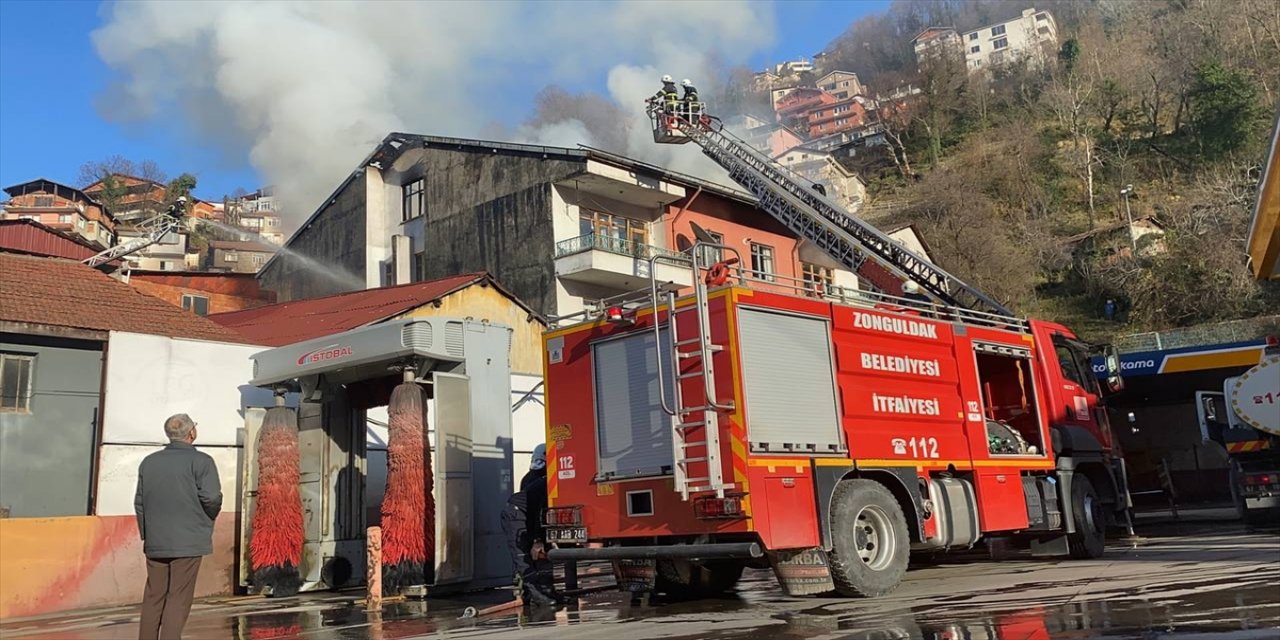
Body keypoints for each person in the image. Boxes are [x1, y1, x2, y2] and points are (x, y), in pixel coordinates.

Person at [135, 414, 222, 640]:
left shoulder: (149, 462)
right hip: (188, 541)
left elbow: (140, 502)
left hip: (156, 541)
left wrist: (147, 534)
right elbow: (212, 498)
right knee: (178, 597)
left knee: (154, 596)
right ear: (191, 433)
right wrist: (206, 520)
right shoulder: (202, 461)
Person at [500, 444, 559, 606]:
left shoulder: (532, 478)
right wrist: (536, 539)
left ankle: (547, 591)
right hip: (517, 515)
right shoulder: (545, 479)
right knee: (523, 557)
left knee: (542, 555)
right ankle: (536, 594)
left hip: (532, 517)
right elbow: (537, 510)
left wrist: (538, 538)